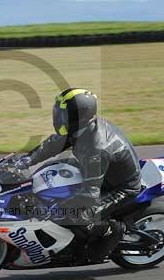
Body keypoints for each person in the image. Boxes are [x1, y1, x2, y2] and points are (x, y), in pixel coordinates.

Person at [15, 88, 142, 263]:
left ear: (79, 116)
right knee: (50, 168)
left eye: (63, 113)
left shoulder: (96, 148)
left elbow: (89, 194)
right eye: (58, 111)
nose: (58, 116)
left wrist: (56, 209)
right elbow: (54, 144)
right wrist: (24, 161)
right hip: (95, 171)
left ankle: (114, 229)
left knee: (74, 215)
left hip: (119, 187)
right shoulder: (81, 128)